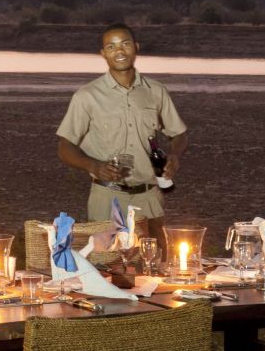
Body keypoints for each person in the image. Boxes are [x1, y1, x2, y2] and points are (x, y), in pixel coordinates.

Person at [56, 23, 188, 247]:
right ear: (103, 54)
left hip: (149, 196)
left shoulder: (156, 91)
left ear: (136, 47)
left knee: (156, 267)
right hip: (107, 197)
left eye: (125, 44)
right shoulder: (87, 96)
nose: (119, 51)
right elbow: (64, 146)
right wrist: (93, 166)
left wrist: (175, 155)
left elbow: (179, 134)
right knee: (109, 268)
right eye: (111, 46)